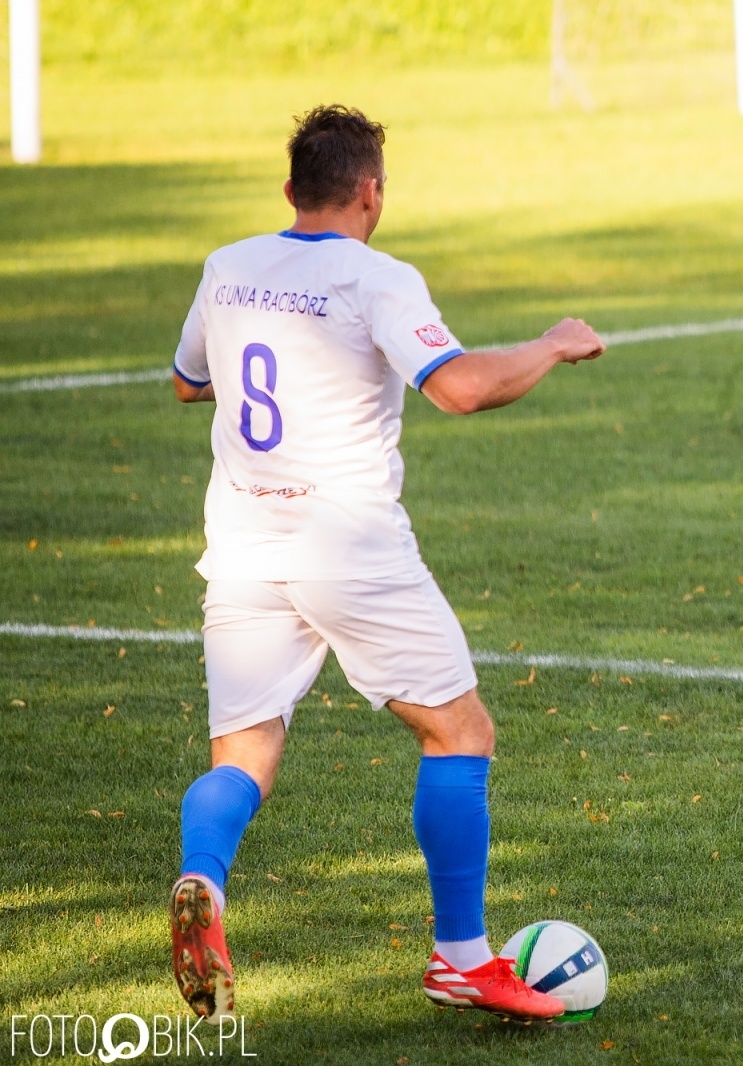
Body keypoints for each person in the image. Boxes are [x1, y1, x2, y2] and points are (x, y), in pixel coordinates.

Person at [167, 104, 605, 1021]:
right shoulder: (377, 278)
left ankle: (202, 881)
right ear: (372, 192)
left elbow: (190, 379)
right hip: (349, 547)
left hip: (243, 548)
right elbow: (463, 389)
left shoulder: (229, 267)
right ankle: (460, 959)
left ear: (290, 190)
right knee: (460, 733)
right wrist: (555, 343)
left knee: (245, 753)